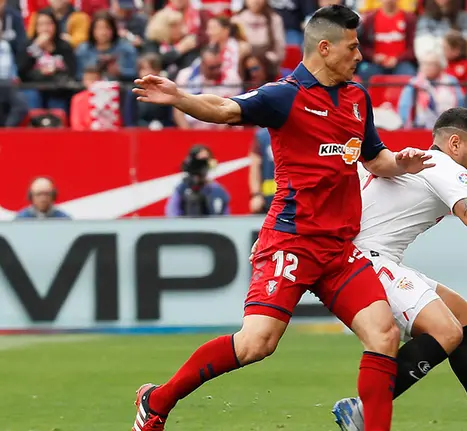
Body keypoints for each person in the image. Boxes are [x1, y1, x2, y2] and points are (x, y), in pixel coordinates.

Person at [130, 5, 434, 431]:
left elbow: (375, 158)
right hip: (291, 241)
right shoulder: (284, 95)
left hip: (338, 249)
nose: (360, 55)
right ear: (324, 48)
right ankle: (157, 400)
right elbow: (224, 108)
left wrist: (400, 161)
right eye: (352, 47)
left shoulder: (356, 98)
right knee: (256, 344)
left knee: (384, 334)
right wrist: (181, 97)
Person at [308, 107, 467, 431]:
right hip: (366, 260)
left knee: (461, 312)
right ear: (455, 144)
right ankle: (363, 409)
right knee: (446, 331)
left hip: (367, 257)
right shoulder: (443, 165)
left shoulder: (416, 164)